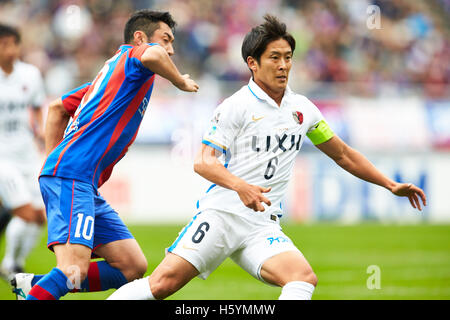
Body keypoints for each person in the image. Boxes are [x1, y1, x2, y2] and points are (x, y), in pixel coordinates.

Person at [107, 14, 427, 300]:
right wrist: (241, 187)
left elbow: (342, 154)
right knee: (162, 285)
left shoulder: (303, 111)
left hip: (262, 225)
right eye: (274, 57)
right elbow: (203, 161)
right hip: (222, 215)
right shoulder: (236, 107)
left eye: (288, 57)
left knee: (302, 279)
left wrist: (390, 184)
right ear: (253, 63)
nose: (283, 65)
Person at [11, 9, 199, 300]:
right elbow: (152, 55)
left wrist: (53, 160)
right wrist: (180, 81)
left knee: (131, 266)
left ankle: (36, 285)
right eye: (166, 40)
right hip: (72, 175)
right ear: (140, 38)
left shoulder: (113, 75)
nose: (171, 49)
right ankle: (40, 291)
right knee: (74, 269)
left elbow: (57, 109)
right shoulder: (133, 60)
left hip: (78, 179)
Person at [0, 24, 46, 281]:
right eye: (3, 44)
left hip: (27, 155)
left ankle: (16, 263)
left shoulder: (31, 75)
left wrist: (39, 130)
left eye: (12, 44)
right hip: (2, 158)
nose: (8, 50)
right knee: (26, 213)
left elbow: (37, 106)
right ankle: (9, 264)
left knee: (40, 217)